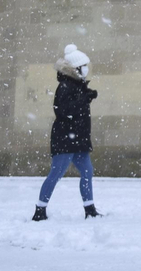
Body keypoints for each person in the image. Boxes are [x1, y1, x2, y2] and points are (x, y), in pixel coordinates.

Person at [33, 44, 100, 220]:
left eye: (87, 66)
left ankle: (90, 210)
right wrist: (84, 99)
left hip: (79, 138)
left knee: (87, 172)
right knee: (56, 174)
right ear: (75, 69)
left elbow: (76, 107)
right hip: (65, 139)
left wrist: (87, 96)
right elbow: (62, 111)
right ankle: (40, 211)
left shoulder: (78, 84)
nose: (86, 69)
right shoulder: (65, 86)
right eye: (83, 66)